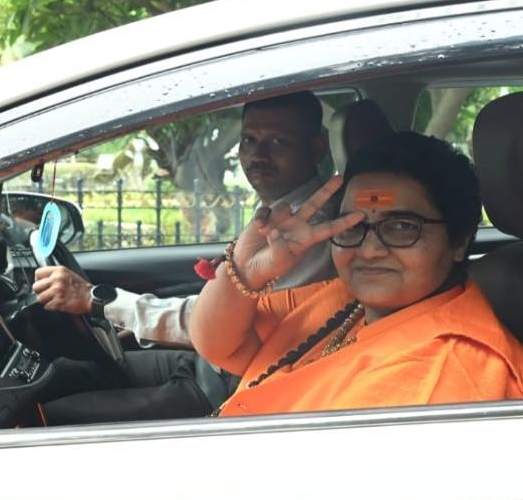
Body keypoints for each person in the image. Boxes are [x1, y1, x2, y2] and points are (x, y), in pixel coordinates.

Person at [31, 91, 338, 423]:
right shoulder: (278, 209)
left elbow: (222, 323)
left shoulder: (309, 233)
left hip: (231, 385)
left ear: (317, 147)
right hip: (210, 363)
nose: (258, 155)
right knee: (61, 374)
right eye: (249, 139)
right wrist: (132, 319)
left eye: (278, 142)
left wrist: (99, 301)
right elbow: (226, 301)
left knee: (49, 417)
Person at [190, 131, 523, 417]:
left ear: (459, 240)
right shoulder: (346, 300)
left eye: (401, 227)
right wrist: (247, 273)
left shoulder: (440, 370)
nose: (368, 250)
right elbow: (221, 345)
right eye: (352, 226)